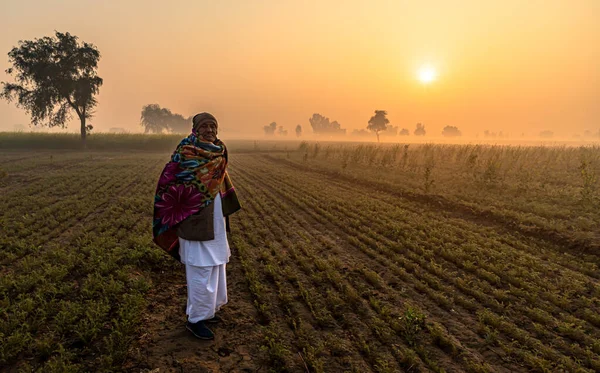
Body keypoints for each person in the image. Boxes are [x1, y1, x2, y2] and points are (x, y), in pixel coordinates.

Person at [152, 112, 241, 340]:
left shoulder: (218, 151)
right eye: (205, 126)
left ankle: (209, 310)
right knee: (200, 269)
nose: (210, 130)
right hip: (193, 221)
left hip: (215, 221)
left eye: (213, 126)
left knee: (216, 266)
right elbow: (169, 182)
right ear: (195, 129)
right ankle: (196, 320)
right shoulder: (186, 152)